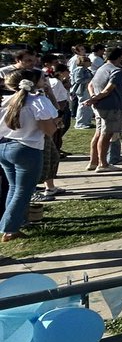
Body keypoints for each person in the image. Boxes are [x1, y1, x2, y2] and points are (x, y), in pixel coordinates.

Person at [0, 70, 61, 242]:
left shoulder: (6, 100)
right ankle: (9, 228)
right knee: (23, 190)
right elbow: (48, 129)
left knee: (14, 187)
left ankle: (14, 223)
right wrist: (56, 124)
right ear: (33, 82)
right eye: (42, 78)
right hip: (26, 148)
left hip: (4, 146)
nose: (45, 80)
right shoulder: (38, 101)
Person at [82, 47, 122, 172]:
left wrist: (93, 98)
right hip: (111, 107)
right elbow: (108, 90)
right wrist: (93, 99)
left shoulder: (101, 68)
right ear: (120, 57)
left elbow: (90, 85)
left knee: (98, 133)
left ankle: (93, 162)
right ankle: (103, 164)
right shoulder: (117, 71)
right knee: (106, 135)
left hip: (99, 106)